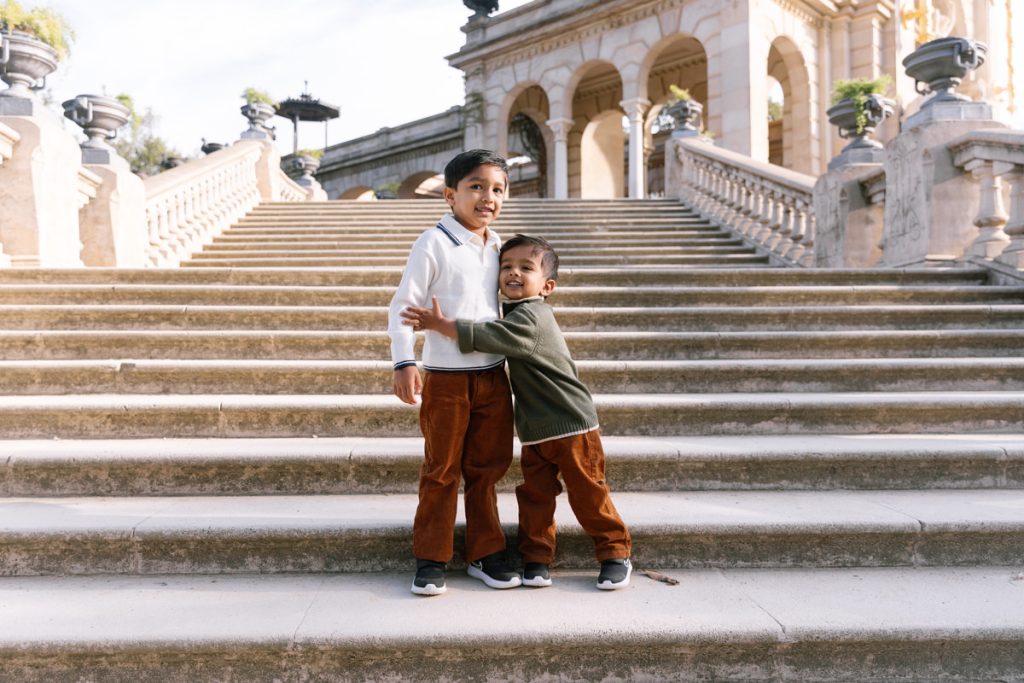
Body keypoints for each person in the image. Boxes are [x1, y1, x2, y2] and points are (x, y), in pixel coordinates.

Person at [402, 234, 633, 590]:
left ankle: (615, 552)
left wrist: (441, 325)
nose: (513, 273)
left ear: (547, 286)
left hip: (571, 424)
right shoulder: (514, 311)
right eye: (506, 266)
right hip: (537, 430)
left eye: (526, 268)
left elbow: (494, 336)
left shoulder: (533, 316)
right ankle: (537, 559)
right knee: (535, 497)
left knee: (588, 492)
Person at [388, 149, 522, 596]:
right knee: (442, 468)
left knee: (487, 468)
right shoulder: (434, 242)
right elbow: (404, 306)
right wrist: (404, 360)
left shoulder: (501, 247)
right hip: (445, 377)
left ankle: (485, 552)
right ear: (450, 195)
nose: (488, 197)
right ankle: (431, 558)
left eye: (498, 189)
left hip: (492, 375)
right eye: (477, 187)